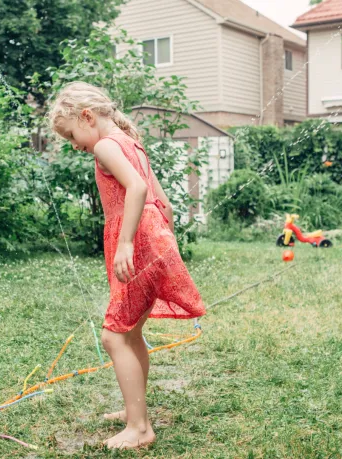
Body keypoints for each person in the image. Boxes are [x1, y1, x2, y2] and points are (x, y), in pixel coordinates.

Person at [49, 82, 206, 449]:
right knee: (132, 331)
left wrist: (126, 243)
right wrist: (162, 243)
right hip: (154, 239)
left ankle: (139, 428)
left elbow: (135, 188)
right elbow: (162, 201)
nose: (76, 144)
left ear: (87, 116)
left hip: (138, 243)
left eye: (73, 134)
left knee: (114, 335)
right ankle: (134, 409)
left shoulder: (106, 144)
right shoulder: (131, 142)